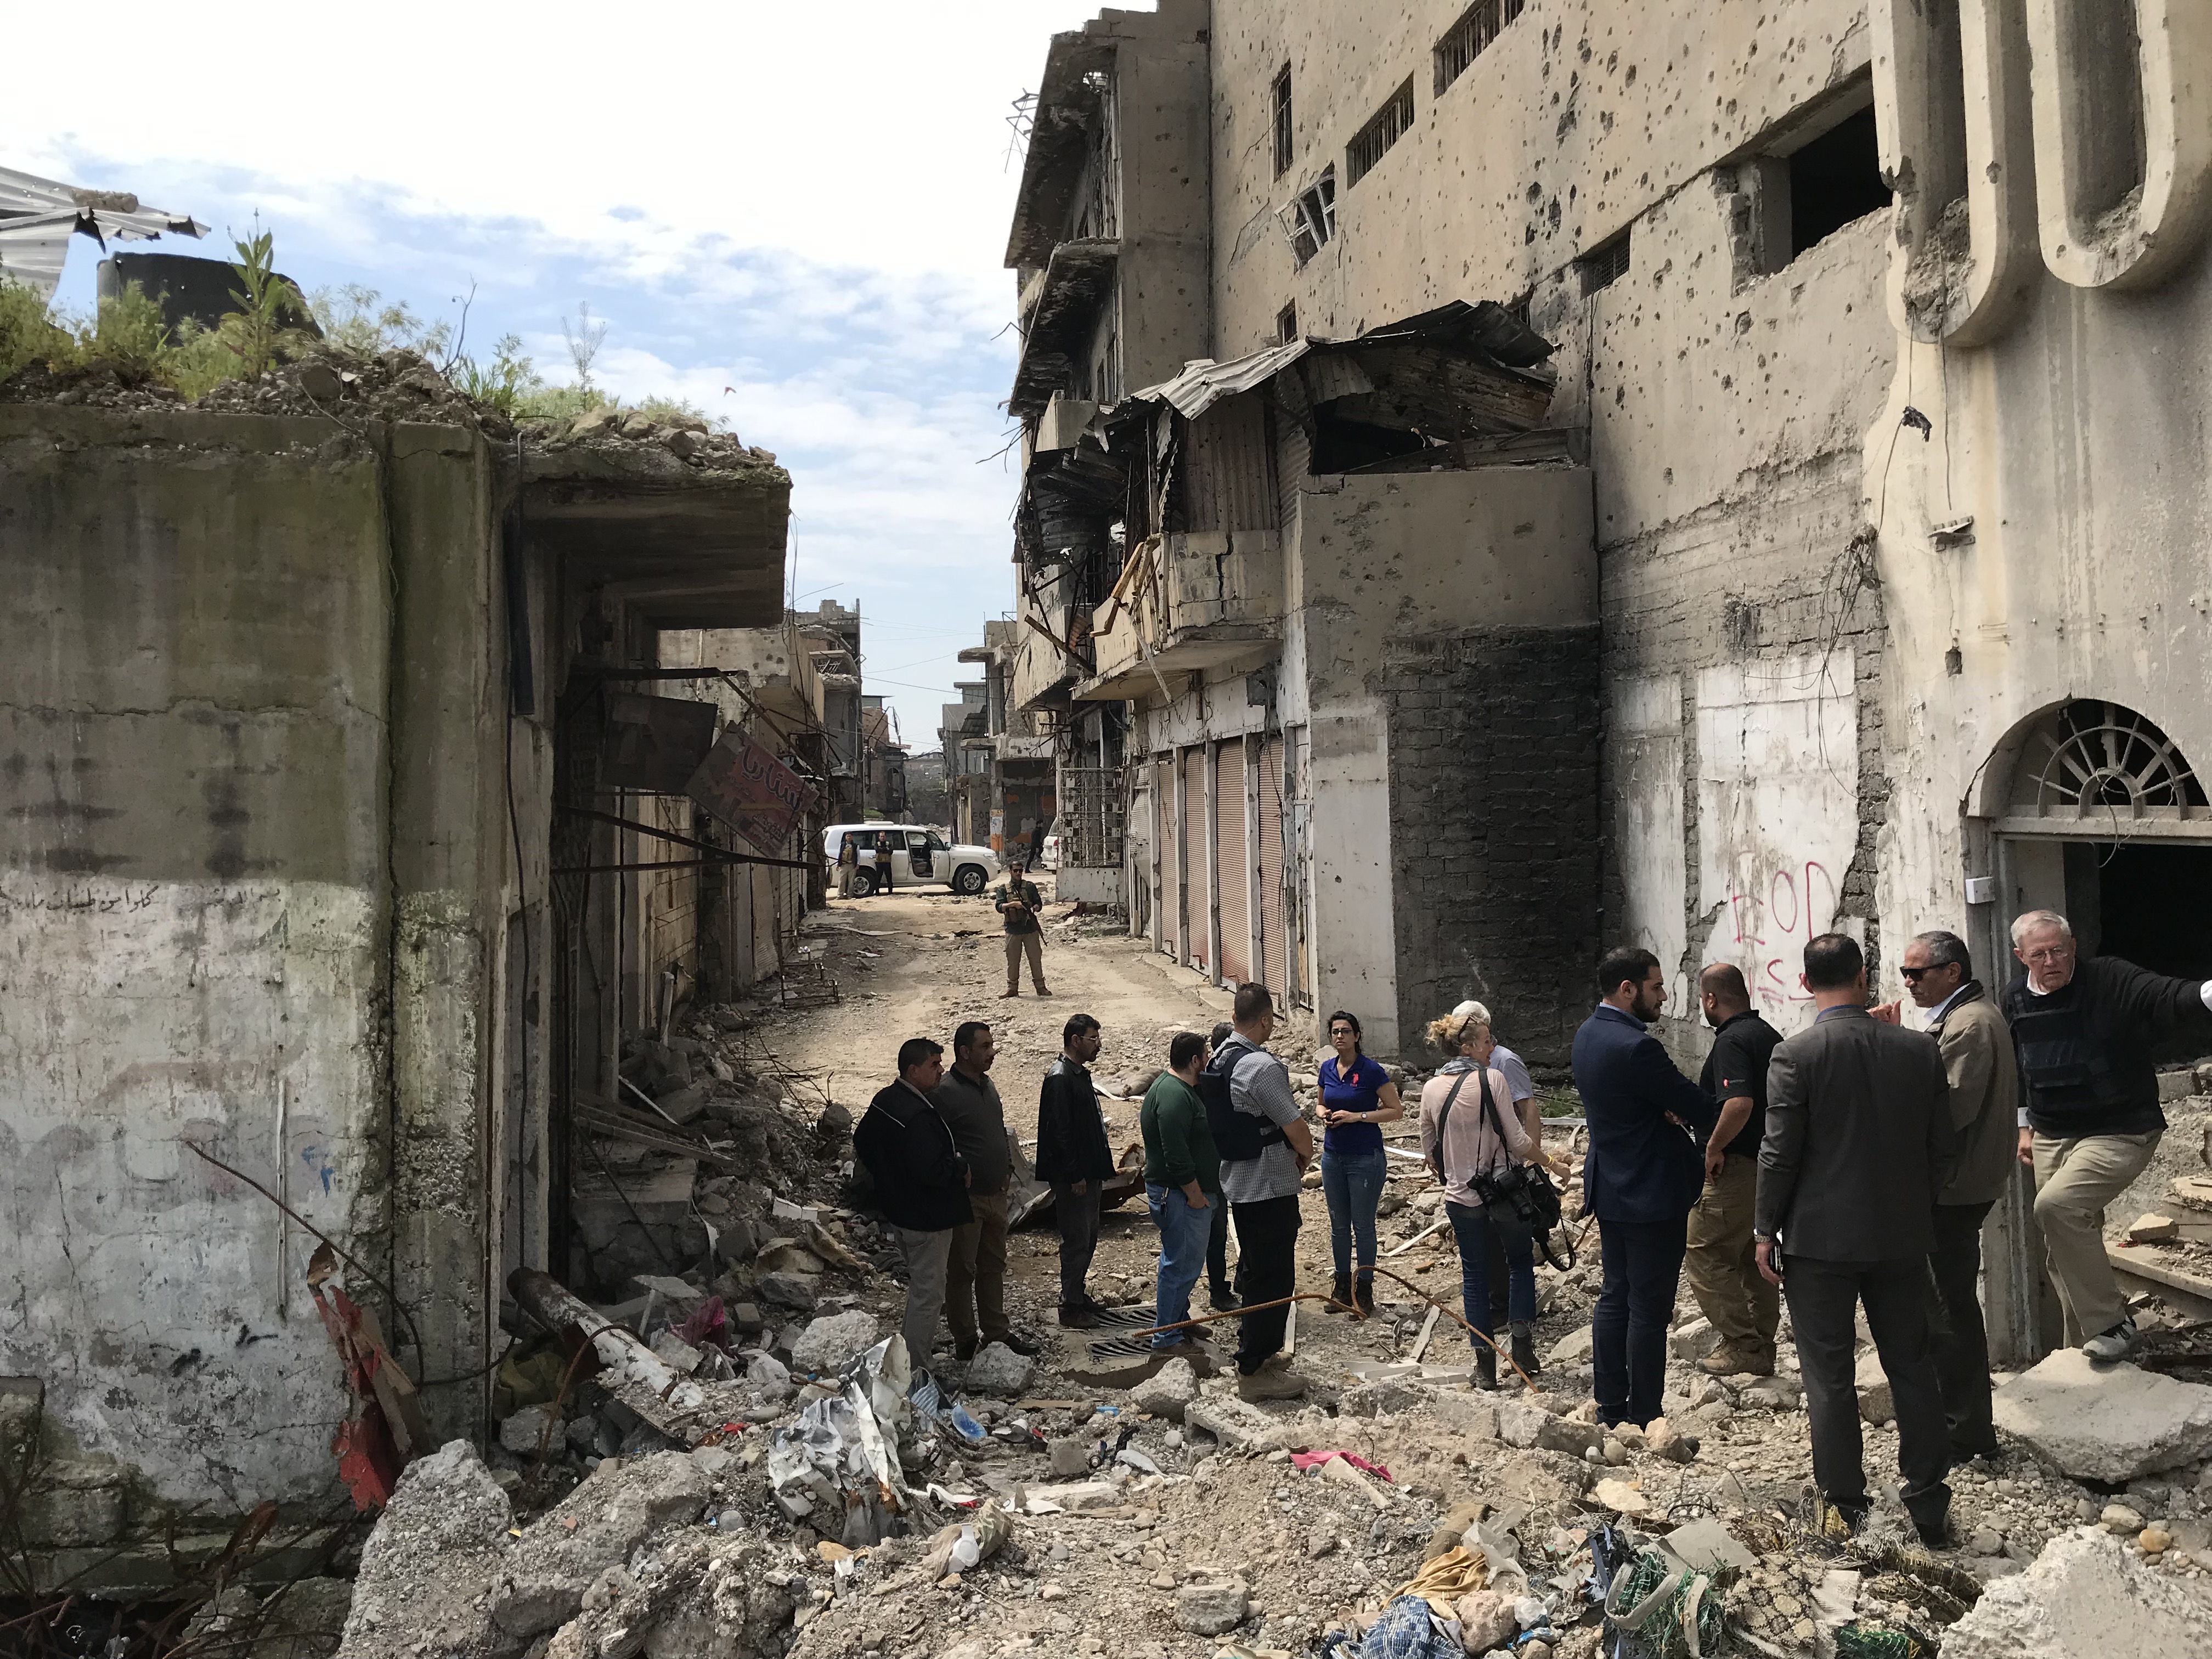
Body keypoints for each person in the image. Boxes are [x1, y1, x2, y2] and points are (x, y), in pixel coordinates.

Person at [1756, 933, 1957, 1544]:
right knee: (1912, 1367)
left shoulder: (1795, 1055)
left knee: (1830, 1376)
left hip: (1819, 1242)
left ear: (1806, 983)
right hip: (1900, 1236)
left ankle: (1844, 1507)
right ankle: (1928, 1504)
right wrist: (1913, 1206)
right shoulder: (1919, 1050)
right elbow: (1942, 1148)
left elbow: (1779, 1153)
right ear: (1864, 976)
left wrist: (1765, 1229)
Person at [2004, 910, 2212, 1361]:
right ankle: (2083, 1353)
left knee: (2056, 1207)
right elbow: (2020, 1066)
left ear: (2073, 946)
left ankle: (2112, 1325)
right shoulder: (2016, 998)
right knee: (2064, 1243)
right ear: (2021, 957)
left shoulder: (2110, 979)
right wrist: (2023, 1125)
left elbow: (2168, 996)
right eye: (2039, 954)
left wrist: (2207, 993)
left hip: (2121, 1128)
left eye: (2059, 950)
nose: (2051, 961)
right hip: (2052, 1133)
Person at [1871, 929, 2018, 1460]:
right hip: (1953, 1185)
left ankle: (1967, 1432)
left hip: (1953, 1190)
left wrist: (1892, 1050)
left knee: (1947, 1311)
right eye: (1906, 973)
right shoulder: (1959, 1020)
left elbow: (1944, 1112)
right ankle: (1956, 1421)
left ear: (1953, 971)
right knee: (1943, 1307)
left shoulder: (1971, 1024)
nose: (1908, 983)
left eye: (1919, 973)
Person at [1571, 946, 1719, 1428]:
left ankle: (1612, 1404)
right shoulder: (1638, 1047)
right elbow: (1696, 1104)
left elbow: (1628, 1102)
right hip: (1651, 1192)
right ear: (1628, 989)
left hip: (1612, 1185)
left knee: (1615, 1296)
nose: (1663, 996)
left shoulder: (1588, 1034)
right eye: (1656, 987)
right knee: (1649, 1309)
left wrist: (1657, 1109)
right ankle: (1645, 1414)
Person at [1420, 1006, 1563, 1389]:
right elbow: (1517, 1141)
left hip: (1460, 1198)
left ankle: (1484, 1367)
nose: (1492, 1047)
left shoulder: (1431, 1089)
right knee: (1519, 1266)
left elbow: (1429, 1149)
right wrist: (1551, 1162)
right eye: (1486, 1042)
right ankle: (1522, 1351)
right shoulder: (1494, 1080)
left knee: (1474, 1277)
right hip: (1503, 1193)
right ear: (1468, 1048)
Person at [1205, 983, 1314, 1401]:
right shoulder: (1260, 1067)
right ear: (1266, 1019)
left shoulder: (1220, 1057)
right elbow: (1294, 1126)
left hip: (1239, 1180)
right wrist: (1304, 1157)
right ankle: (1255, 1369)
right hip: (1269, 1183)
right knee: (1274, 1276)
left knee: (1254, 1270)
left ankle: (1261, 1353)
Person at [1683, 964, 1785, 1378]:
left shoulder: (1732, 1041)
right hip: (1767, 1164)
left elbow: (1738, 1104)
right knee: (1749, 1255)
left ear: (1711, 999)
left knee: (1703, 1249)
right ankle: (1761, 1343)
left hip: (1737, 1166)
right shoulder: (1768, 1035)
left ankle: (1743, 1345)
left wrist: (1713, 1146)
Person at [852, 1038, 970, 1370]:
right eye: (934, 1065)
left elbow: (863, 1142)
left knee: (921, 1290)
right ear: (913, 1070)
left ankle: (906, 1358)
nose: (940, 1071)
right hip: (926, 1218)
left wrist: (889, 1180)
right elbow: (931, 1171)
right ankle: (918, 1367)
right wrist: (959, 1166)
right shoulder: (915, 1114)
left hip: (901, 1212)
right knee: (929, 1294)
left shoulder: (886, 1100)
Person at [932, 1022, 1041, 1363]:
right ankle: (965, 1338)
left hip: (996, 1194)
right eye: (985, 1046)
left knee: (993, 1265)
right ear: (965, 1052)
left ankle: (997, 1332)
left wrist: (1007, 1166)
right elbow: (937, 1144)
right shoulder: (944, 1092)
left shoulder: (988, 1084)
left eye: (992, 1045)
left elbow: (998, 1130)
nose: (992, 1052)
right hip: (967, 1200)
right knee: (962, 1270)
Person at [1451, 999, 1545, 1370]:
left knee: (1487, 1265)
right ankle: (1513, 1335)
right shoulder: (1473, 1075)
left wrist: (1529, 1169)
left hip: (1489, 1184)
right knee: (1503, 1260)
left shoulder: (1501, 1064)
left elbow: (1528, 1114)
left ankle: (1486, 1363)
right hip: (1488, 1184)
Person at [1318, 1010, 1402, 1317]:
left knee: (1363, 1225)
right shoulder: (1327, 1068)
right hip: (1333, 1155)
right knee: (1338, 1226)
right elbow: (1321, 1101)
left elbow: (1396, 1110)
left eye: (1345, 1031)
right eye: (1335, 1031)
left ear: (1356, 1036)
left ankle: (1363, 1289)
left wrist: (1357, 1116)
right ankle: (1341, 1287)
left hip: (1364, 1157)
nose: (1340, 1036)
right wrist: (1321, 1113)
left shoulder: (1370, 1071)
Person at [1142, 1031, 1221, 1351]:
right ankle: (1168, 1337)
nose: (1209, 1062)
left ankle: (1179, 1320)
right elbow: (1176, 1155)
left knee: (1184, 1261)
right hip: (1180, 1196)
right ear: (1194, 1061)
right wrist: (1196, 1195)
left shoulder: (1178, 1088)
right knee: (1180, 1265)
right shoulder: (1174, 1096)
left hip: (1182, 1195)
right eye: (1206, 1056)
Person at [1036, 1013, 1113, 1327]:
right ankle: (1070, 1306)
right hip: (1074, 1178)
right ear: (1075, 1041)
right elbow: (1060, 1133)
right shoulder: (1060, 1077)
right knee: (1076, 1240)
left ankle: (1078, 1295)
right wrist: (1074, 1175)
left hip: (1089, 1172)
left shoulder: (1078, 1074)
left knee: (1088, 1237)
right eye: (1093, 1039)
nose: (1098, 1045)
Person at [1205, 1021, 1242, 1312]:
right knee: (1217, 1234)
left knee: (1245, 1226)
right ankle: (1219, 1289)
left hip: (1236, 1166)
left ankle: (1241, 1278)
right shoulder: (1210, 1082)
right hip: (1217, 1172)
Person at [994, 857, 1051, 999]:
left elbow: (1038, 903)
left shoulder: (1030, 887)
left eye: (1020, 871)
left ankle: (1040, 987)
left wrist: (1035, 907)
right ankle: (1012, 988)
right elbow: (999, 907)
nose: (1018, 873)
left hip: (1030, 929)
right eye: (1016, 871)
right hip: (1013, 930)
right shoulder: (1003, 889)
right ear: (1010, 872)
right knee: (1013, 961)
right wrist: (1013, 905)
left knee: (1035, 958)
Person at [836, 833, 860, 900]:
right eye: (848, 836)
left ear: (852, 837)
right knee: (841, 881)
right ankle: (840, 895)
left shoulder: (855, 846)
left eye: (850, 836)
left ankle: (850, 895)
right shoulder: (842, 845)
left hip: (852, 865)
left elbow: (858, 856)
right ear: (846, 837)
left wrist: (858, 864)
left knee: (851, 881)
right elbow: (839, 854)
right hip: (843, 865)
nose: (849, 838)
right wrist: (837, 864)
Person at [873, 827, 896, 894]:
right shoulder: (877, 844)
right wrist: (886, 850)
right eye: (881, 836)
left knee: (889, 878)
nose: (882, 838)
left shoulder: (889, 844)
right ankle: (877, 892)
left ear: (885, 837)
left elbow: (891, 851)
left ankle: (890, 892)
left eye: (884, 836)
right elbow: (877, 850)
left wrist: (883, 850)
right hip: (879, 863)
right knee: (878, 878)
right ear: (879, 837)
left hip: (887, 863)